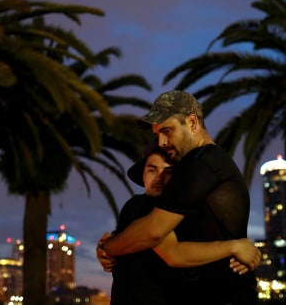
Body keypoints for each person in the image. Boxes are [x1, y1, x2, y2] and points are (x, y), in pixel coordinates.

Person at [97, 90, 258, 304]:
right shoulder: (202, 165)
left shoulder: (203, 163)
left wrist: (108, 248)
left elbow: (154, 231)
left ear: (192, 122)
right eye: (157, 135)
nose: (162, 142)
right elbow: (171, 244)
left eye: (167, 131)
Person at [108, 142, 260, 304]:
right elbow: (173, 253)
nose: (159, 178)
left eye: (169, 171)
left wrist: (241, 259)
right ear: (143, 175)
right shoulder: (140, 206)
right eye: (152, 170)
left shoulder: (186, 216)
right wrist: (235, 247)